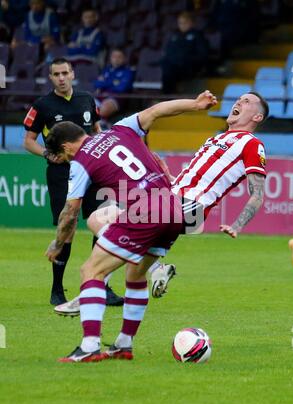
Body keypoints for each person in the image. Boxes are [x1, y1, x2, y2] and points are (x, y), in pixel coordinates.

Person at [55, 91, 269, 318]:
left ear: (257, 117)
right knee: (107, 224)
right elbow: (194, 179)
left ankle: (93, 292)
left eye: (246, 102)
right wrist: (169, 177)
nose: (238, 102)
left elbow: (258, 193)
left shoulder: (252, 144)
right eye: (239, 98)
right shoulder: (215, 139)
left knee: (104, 219)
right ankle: (124, 313)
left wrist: (238, 224)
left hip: (191, 207)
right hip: (172, 198)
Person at [44, 90, 218, 362]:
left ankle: (89, 346)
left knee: (91, 270)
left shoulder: (80, 162)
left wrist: (57, 244)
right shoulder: (121, 128)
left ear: (66, 147)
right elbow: (157, 111)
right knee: (135, 276)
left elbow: (69, 212)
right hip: (174, 208)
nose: (65, 161)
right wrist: (195, 105)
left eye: (62, 156)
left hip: (145, 211)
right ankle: (123, 345)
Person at [23, 57, 123, 307]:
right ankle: (57, 289)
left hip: (93, 172)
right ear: (50, 77)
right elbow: (28, 140)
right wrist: (47, 154)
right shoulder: (42, 105)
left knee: (103, 222)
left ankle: (102, 285)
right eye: (56, 74)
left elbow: (98, 131)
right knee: (66, 231)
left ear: (72, 73)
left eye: (64, 73)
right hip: (61, 175)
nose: (61, 78)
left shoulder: (87, 99)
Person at [161, 11, 208, 94]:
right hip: (174, 66)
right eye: (180, 23)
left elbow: (202, 55)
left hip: (189, 66)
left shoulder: (198, 36)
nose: (182, 25)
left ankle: (168, 96)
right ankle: (166, 96)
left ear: (191, 23)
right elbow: (168, 52)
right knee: (166, 66)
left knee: (170, 70)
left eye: (185, 23)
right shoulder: (175, 36)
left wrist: (187, 59)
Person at [94, 48, 134, 124]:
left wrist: (105, 83)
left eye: (119, 57)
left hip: (117, 98)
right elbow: (96, 84)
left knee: (104, 109)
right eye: (114, 56)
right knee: (85, 106)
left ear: (124, 59)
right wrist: (113, 82)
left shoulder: (128, 72)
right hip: (101, 96)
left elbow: (121, 88)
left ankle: (103, 124)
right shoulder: (106, 70)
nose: (116, 59)